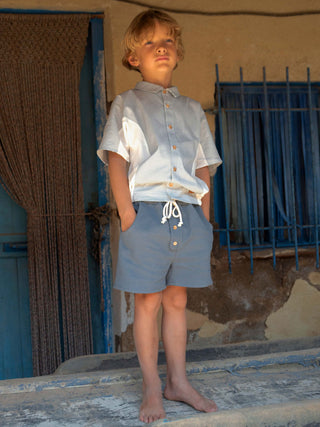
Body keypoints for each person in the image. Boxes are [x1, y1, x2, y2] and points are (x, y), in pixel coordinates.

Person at [97, 9, 222, 424]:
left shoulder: (191, 109)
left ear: (178, 51)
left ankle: (179, 383)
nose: (161, 47)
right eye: (149, 42)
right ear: (133, 57)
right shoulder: (127, 106)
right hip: (147, 213)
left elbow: (203, 165)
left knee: (178, 299)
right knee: (147, 302)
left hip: (188, 215)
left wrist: (204, 216)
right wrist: (128, 214)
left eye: (168, 39)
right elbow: (116, 160)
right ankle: (152, 385)